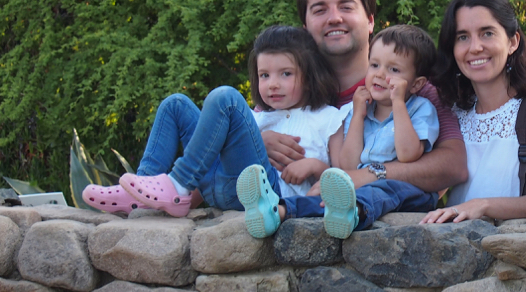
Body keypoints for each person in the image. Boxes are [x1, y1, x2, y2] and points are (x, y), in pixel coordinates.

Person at [82, 26, 344, 218]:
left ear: (309, 76)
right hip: (220, 183)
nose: (272, 84)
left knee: (226, 98)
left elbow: (343, 177)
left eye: (285, 74)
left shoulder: (327, 118)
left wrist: (315, 166)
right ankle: (139, 192)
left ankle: (176, 185)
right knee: (175, 104)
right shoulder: (255, 117)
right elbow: (209, 154)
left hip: (266, 195)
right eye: (264, 75)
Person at [261, 0, 468, 194]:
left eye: (346, 7)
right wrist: (258, 141)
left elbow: (454, 166)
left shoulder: (413, 89)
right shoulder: (286, 89)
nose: (334, 18)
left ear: (370, 20)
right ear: (305, 28)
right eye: (320, 10)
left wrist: (369, 175)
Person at [238, 24, 441, 238]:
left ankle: (353, 211)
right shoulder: (358, 109)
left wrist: (398, 102)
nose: (380, 74)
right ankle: (279, 211)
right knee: (327, 196)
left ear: (416, 84)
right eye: (374, 65)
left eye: (394, 70)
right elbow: (348, 166)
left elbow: (408, 154)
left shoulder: (420, 109)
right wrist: (358, 116)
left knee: (380, 190)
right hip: (358, 188)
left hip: (407, 190)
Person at [420, 0, 526, 224]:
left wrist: (484, 206)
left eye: (487, 33)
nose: (475, 47)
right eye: (462, 37)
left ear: (513, 42)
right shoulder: (451, 115)